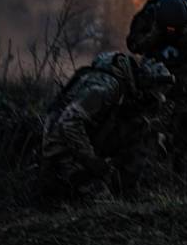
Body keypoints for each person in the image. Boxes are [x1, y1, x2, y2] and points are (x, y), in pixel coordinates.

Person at [39, 52, 174, 201]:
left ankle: (124, 189)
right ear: (144, 82)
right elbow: (69, 122)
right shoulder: (105, 87)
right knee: (102, 200)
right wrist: (91, 161)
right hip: (62, 153)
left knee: (144, 129)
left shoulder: (122, 89)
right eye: (154, 91)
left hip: (83, 146)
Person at [126, 0, 187, 182]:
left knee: (186, 126)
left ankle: (181, 174)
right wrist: (153, 36)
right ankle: (141, 173)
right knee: (146, 124)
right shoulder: (150, 14)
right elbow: (133, 45)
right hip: (157, 75)